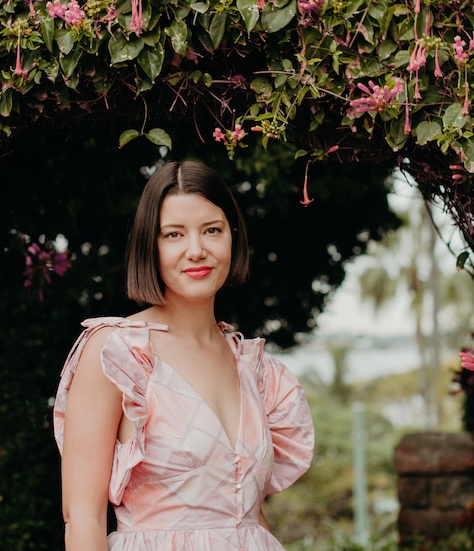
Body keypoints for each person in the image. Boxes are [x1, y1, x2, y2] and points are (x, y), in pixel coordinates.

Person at [53, 160, 314, 550]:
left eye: (212, 230)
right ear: (150, 245)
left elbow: (247, 516)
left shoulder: (252, 365)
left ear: (233, 236)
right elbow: (83, 519)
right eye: (174, 234)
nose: (197, 250)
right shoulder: (120, 352)